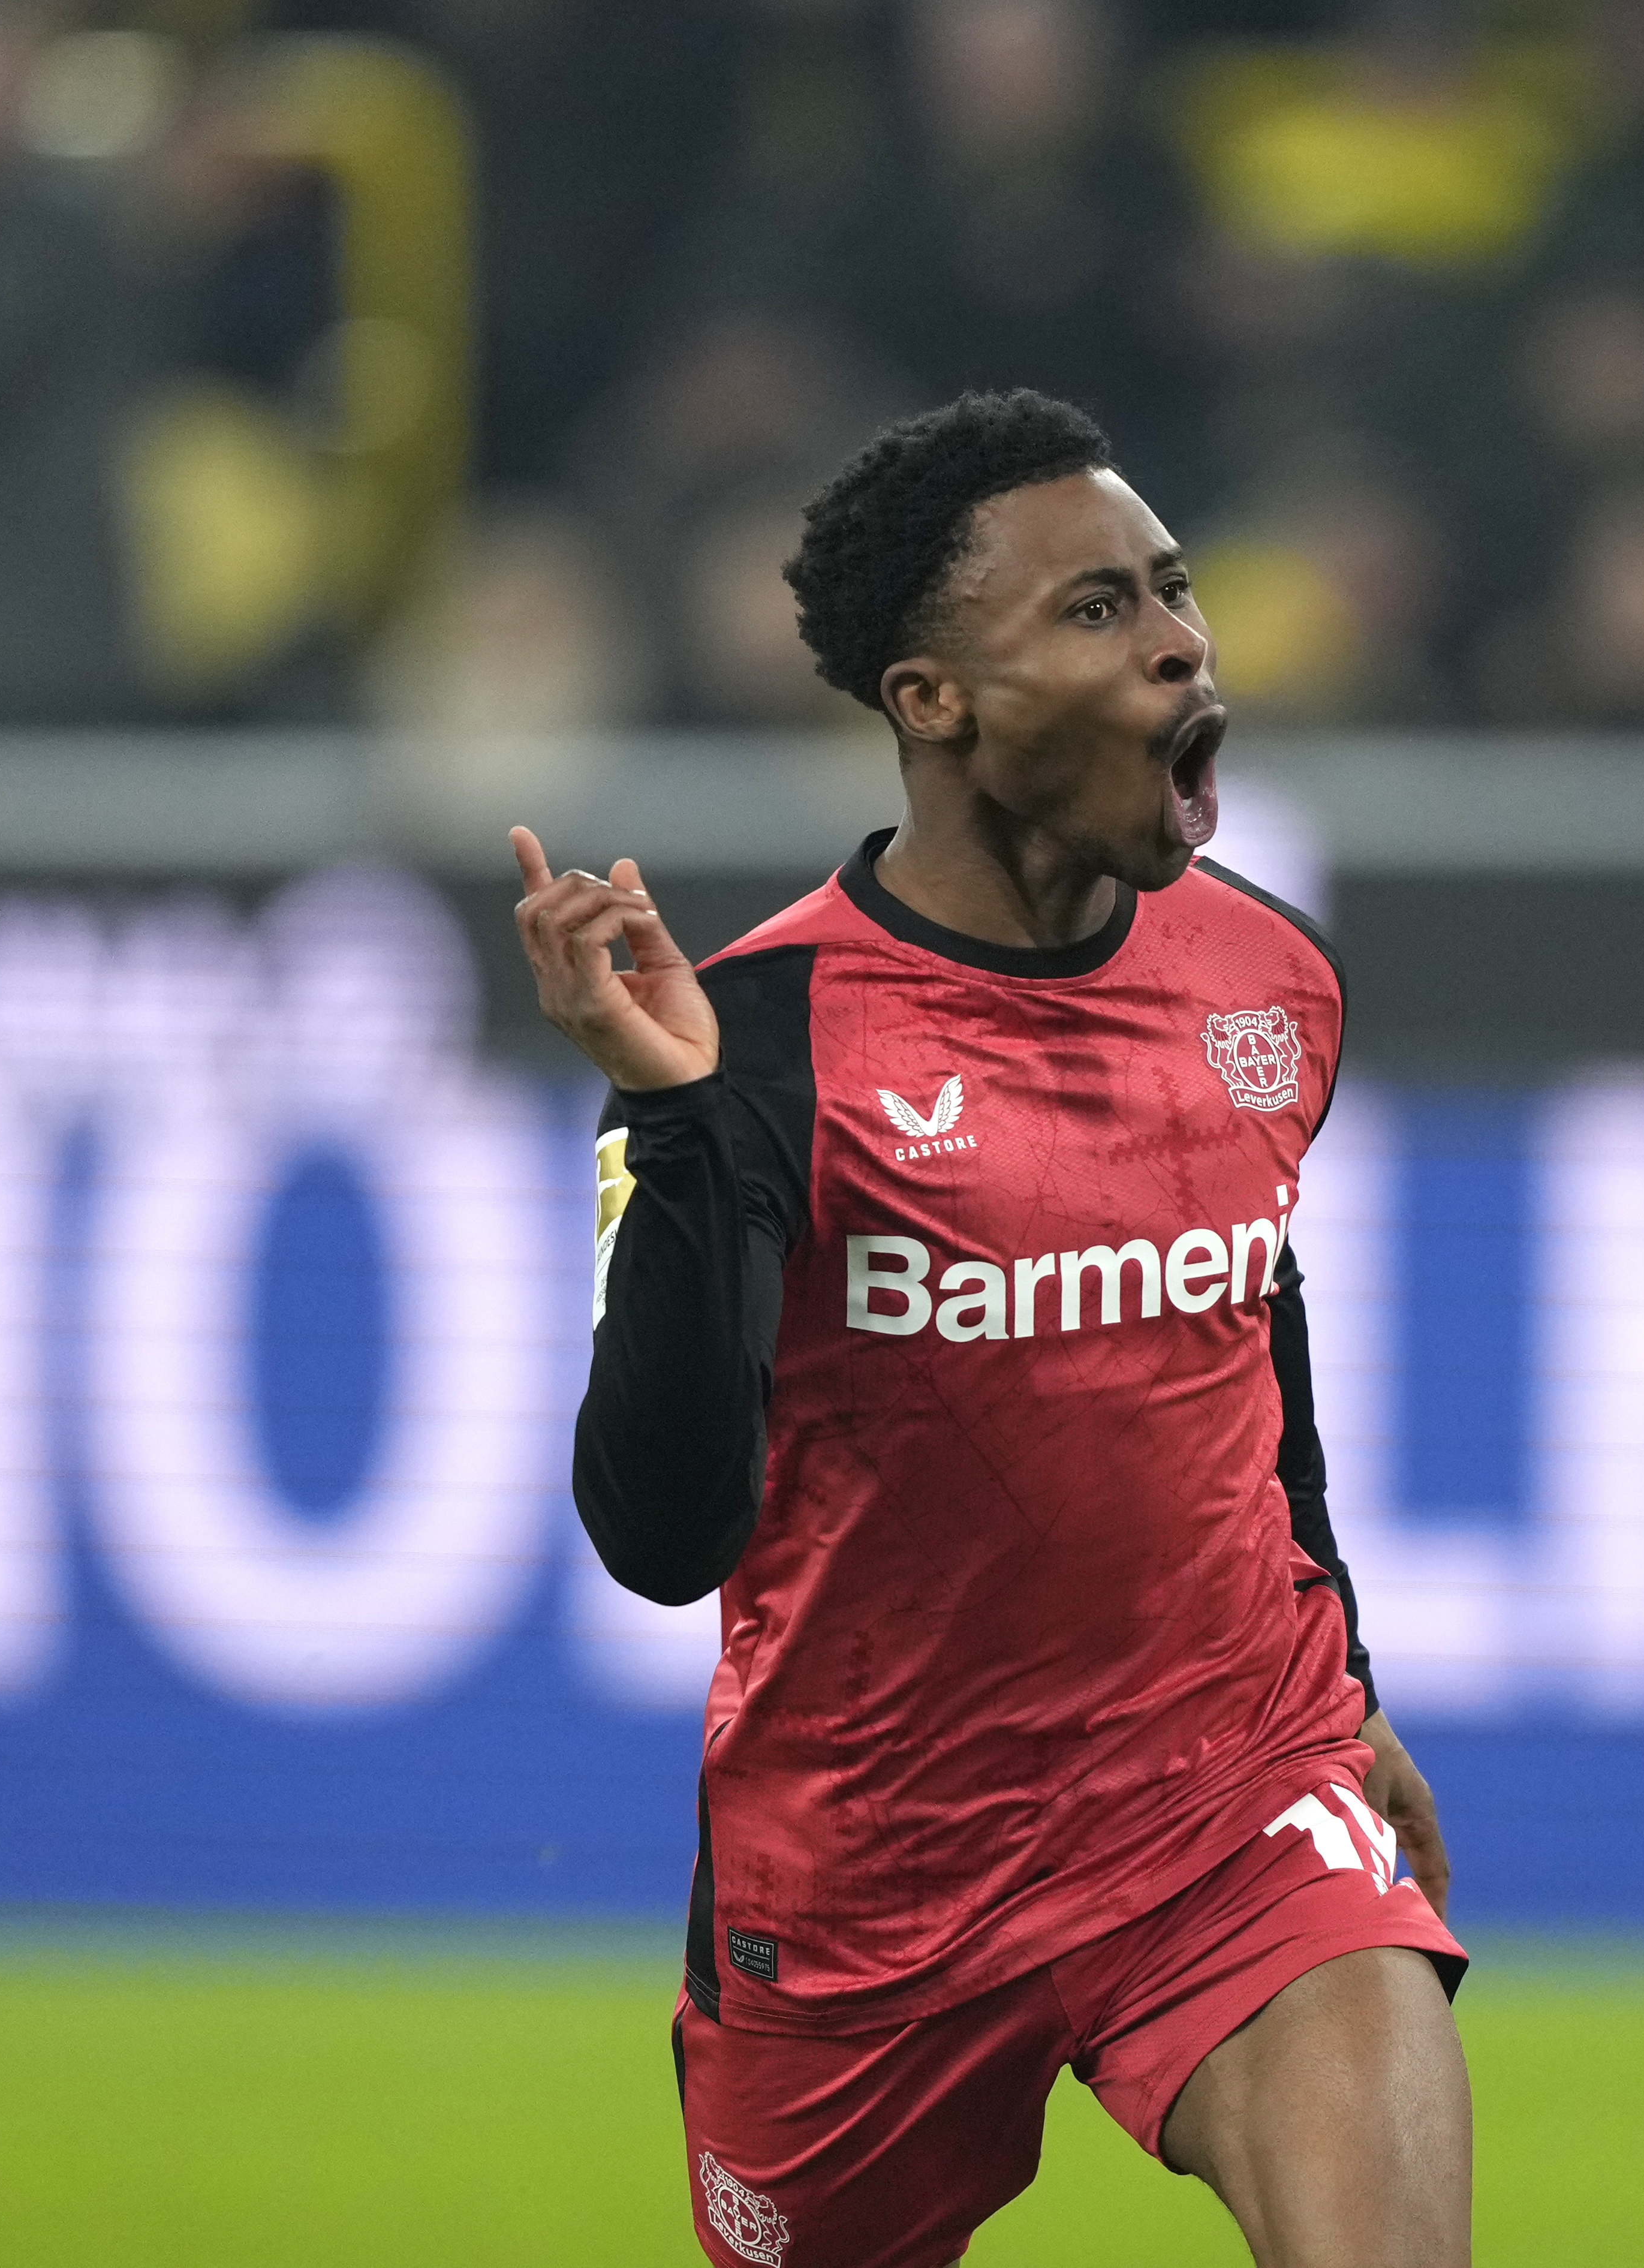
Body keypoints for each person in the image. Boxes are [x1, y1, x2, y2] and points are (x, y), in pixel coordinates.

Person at [508, 389, 1470, 2268]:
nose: (1181, 640)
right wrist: (689, 1132)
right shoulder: (759, 1043)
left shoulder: (1269, 977)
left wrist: (1337, 1682)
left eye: (1174, 591)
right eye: (1097, 612)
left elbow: (1249, 1347)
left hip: (1230, 1801)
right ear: (931, 697)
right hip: (872, 1877)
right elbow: (661, 1537)